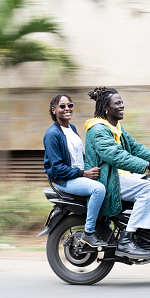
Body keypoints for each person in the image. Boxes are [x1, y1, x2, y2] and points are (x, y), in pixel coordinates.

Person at [85, 87, 150, 260]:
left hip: (121, 176)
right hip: (108, 179)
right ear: (106, 108)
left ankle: (145, 234)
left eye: (122, 102)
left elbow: (135, 147)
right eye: (117, 103)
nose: (122, 105)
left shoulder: (116, 128)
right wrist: (148, 165)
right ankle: (127, 239)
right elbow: (116, 156)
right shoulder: (98, 130)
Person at [43, 94, 108, 247]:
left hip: (78, 176)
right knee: (98, 189)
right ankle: (89, 233)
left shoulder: (71, 128)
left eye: (70, 105)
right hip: (64, 180)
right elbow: (57, 168)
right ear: (54, 110)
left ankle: (106, 226)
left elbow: (80, 156)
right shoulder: (52, 135)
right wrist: (83, 173)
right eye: (63, 106)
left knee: (110, 183)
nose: (67, 109)